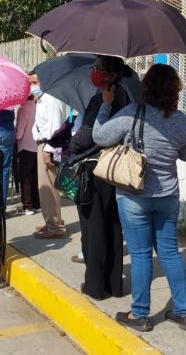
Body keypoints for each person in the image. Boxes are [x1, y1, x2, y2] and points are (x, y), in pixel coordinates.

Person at [93, 64, 186, 332]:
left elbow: (99, 136)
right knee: (170, 252)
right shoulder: (181, 120)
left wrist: (105, 105)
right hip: (168, 196)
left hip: (134, 196)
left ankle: (140, 314)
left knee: (140, 255)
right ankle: (183, 312)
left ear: (146, 87)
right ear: (175, 90)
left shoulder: (132, 113)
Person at [69, 55, 132, 300]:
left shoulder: (103, 100)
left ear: (110, 74)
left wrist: (72, 145)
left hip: (94, 171)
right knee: (112, 228)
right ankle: (114, 284)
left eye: (98, 68)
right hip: (114, 171)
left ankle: (96, 285)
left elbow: (88, 137)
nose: (93, 73)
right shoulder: (127, 96)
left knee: (93, 230)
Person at [30, 72, 68, 239]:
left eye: (34, 82)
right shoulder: (44, 98)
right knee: (48, 187)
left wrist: (48, 151)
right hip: (47, 145)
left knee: (49, 187)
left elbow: (55, 128)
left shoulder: (51, 99)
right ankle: (52, 221)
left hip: (49, 146)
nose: (32, 87)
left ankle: (55, 226)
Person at [15, 90, 40, 215]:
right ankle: (36, 204)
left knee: (25, 177)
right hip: (37, 146)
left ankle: (27, 206)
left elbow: (19, 133)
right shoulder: (38, 107)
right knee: (35, 176)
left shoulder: (22, 109)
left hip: (25, 146)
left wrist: (14, 134)